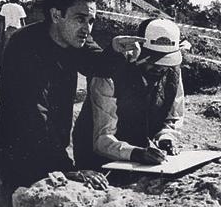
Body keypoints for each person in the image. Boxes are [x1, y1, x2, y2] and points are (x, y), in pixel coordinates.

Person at [0, 0, 144, 207]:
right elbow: (33, 115)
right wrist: (66, 168)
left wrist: (115, 51)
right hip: (19, 152)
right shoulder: (24, 46)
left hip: (51, 147)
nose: (87, 28)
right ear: (56, 15)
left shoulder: (76, 40)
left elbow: (98, 65)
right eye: (80, 19)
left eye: (91, 21)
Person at [73, 17, 188, 169]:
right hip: (98, 161)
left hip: (143, 160)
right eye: (152, 61)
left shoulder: (172, 72)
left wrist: (166, 138)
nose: (160, 68)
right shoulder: (109, 73)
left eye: (165, 63)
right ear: (139, 50)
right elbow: (102, 139)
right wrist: (135, 153)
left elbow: (173, 117)